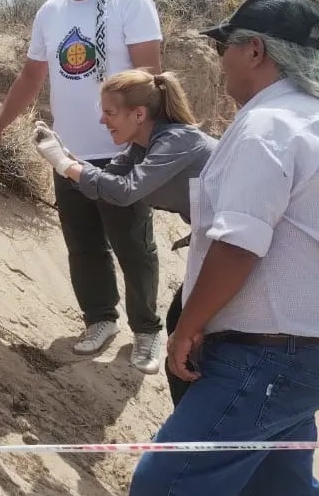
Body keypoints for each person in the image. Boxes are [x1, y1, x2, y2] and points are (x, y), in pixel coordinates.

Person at [121, 0, 319, 496]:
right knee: (278, 493)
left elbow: (240, 244)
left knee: (164, 492)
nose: (219, 59)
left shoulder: (266, 125)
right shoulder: (313, 120)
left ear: (254, 50)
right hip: (305, 354)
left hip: (266, 356)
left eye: (223, 46)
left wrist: (189, 327)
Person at [0, 0, 167, 373]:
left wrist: (150, 140)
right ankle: (100, 319)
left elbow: (152, 79)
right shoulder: (50, 13)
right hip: (68, 153)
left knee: (133, 246)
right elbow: (31, 77)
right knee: (83, 245)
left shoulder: (131, 3)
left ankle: (147, 331)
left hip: (123, 154)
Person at [32, 68, 214, 401]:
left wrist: (62, 163)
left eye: (110, 113)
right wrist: (66, 155)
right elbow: (103, 182)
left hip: (244, 244)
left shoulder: (176, 141)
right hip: (216, 240)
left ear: (140, 113)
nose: (103, 121)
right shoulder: (140, 148)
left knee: (192, 330)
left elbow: (124, 191)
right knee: (184, 323)